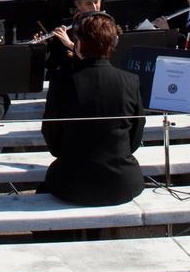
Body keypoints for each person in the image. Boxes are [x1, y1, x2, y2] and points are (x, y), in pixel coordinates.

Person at [40, 13, 145, 206]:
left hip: (71, 184)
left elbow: (52, 137)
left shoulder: (61, 81)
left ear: (78, 44)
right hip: (122, 182)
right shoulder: (130, 81)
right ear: (112, 44)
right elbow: (135, 137)